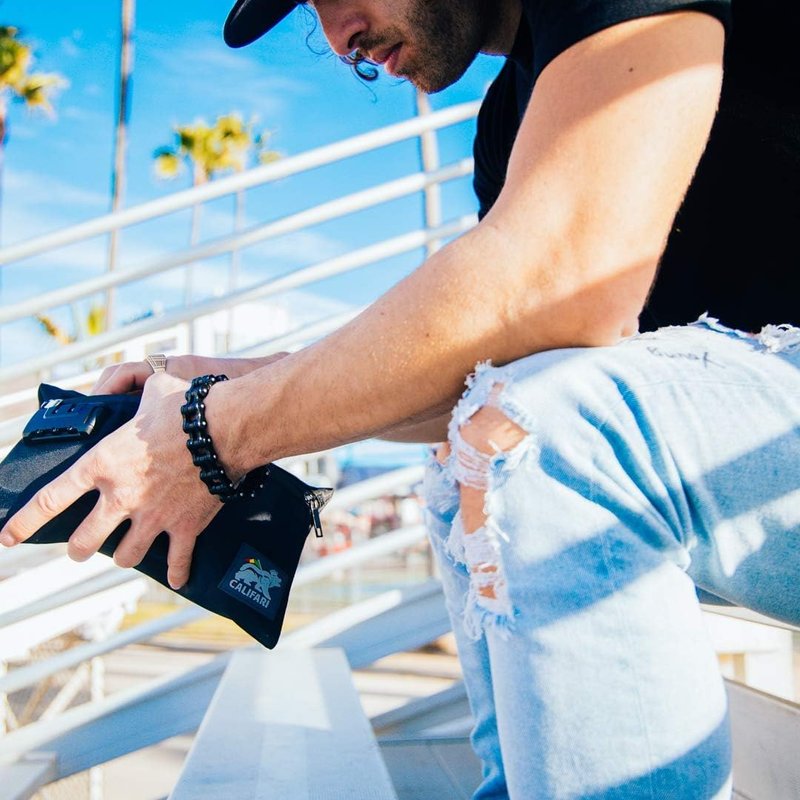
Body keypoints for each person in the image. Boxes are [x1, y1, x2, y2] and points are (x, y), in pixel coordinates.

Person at [2, 0, 799, 796]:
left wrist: (213, 436)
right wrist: (229, 384)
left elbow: (562, 280)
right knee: (471, 447)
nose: (338, 37)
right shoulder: (510, 124)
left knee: (537, 433)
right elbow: (492, 358)